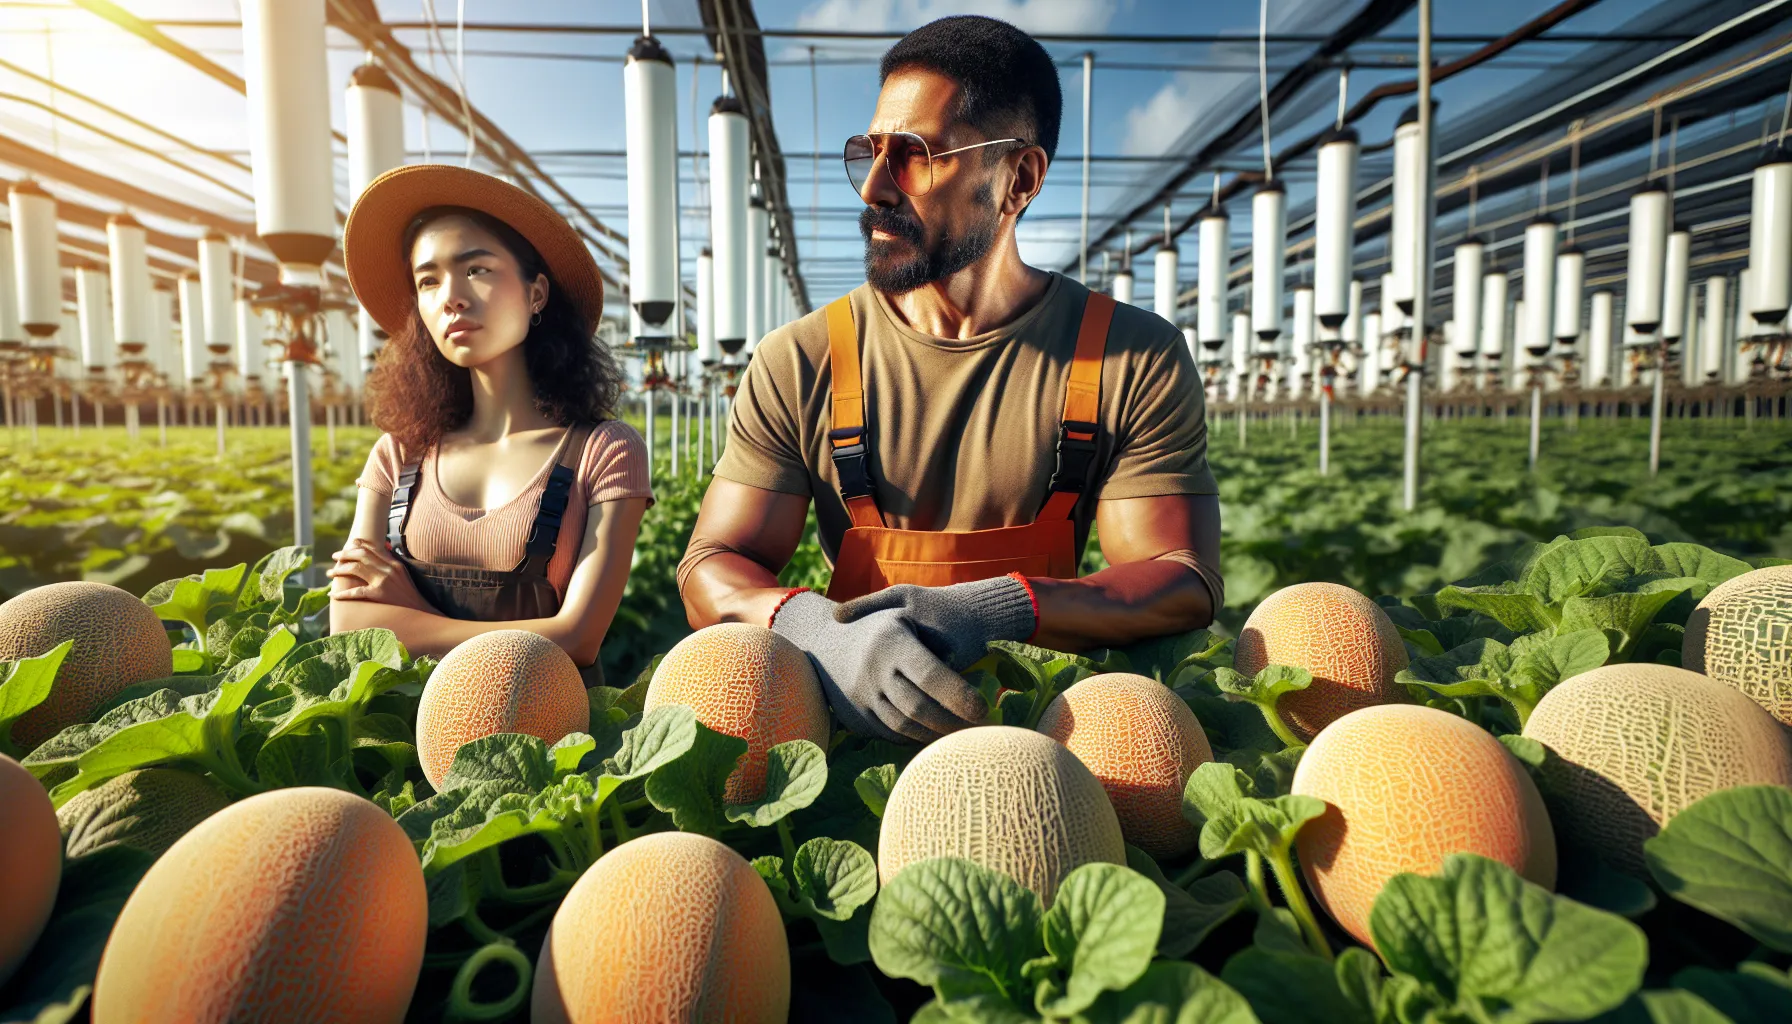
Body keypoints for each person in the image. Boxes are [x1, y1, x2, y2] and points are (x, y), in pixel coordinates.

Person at [677, 16, 1223, 743]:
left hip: (1045, 737)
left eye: (916, 155)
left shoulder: (1129, 356)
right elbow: (711, 563)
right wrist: (810, 625)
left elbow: (1181, 576)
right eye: (871, 152)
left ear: (1018, 179)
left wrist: (1000, 609)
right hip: (851, 743)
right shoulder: (802, 360)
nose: (874, 187)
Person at [329, 165, 651, 682]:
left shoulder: (604, 450)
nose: (451, 297)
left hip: (551, 727)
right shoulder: (398, 453)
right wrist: (535, 634)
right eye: (428, 281)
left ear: (536, 293)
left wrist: (410, 609)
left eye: (476, 269)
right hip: (403, 729)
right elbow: (347, 626)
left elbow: (578, 639)